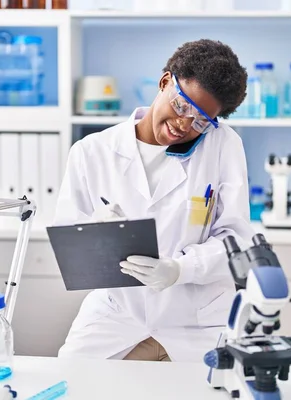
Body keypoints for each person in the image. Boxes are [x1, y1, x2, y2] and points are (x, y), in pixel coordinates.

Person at [53, 39, 254, 363]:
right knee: (72, 380)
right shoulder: (91, 152)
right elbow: (67, 243)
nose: (184, 125)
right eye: (181, 105)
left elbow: (235, 238)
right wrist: (93, 232)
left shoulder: (223, 145)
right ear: (165, 82)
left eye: (202, 120)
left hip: (198, 317)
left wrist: (180, 269)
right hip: (118, 312)